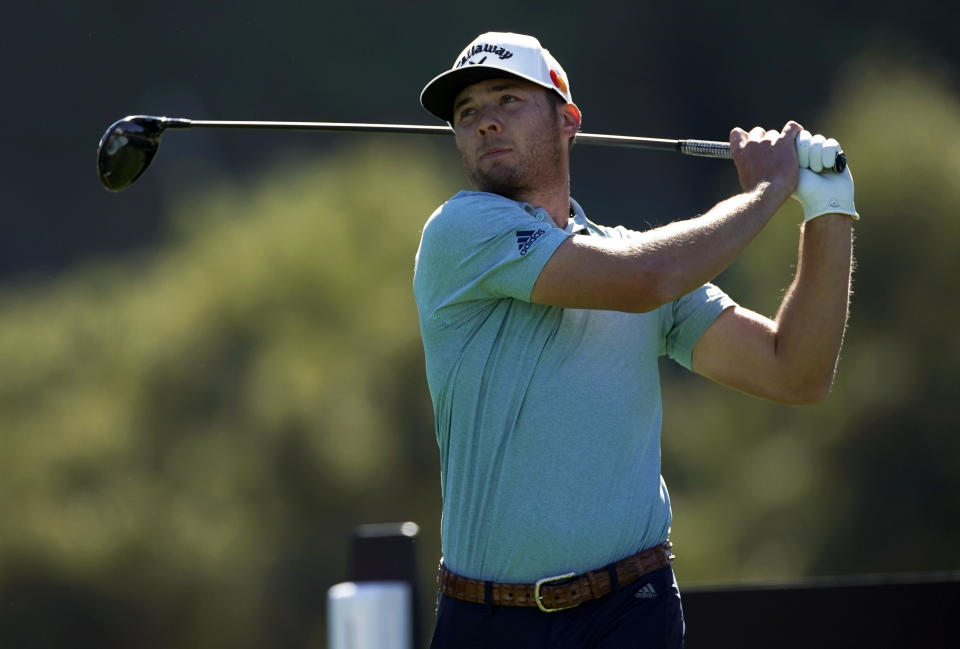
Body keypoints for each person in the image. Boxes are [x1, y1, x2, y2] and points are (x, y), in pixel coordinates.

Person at [413, 32, 857, 649]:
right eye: (467, 114)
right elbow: (650, 278)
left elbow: (796, 373)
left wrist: (830, 207)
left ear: (567, 119)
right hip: (489, 620)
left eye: (507, 100)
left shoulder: (632, 257)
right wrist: (765, 191)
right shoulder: (461, 232)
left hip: (631, 610)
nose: (485, 122)